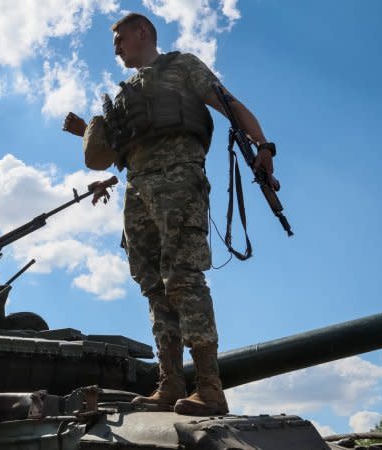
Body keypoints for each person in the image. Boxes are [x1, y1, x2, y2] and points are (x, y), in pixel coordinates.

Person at [63, 13, 279, 416]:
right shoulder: (125, 92)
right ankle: (170, 383)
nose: (115, 48)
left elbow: (228, 105)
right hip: (138, 191)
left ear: (142, 31)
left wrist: (263, 145)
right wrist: (85, 131)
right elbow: (108, 153)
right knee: (154, 287)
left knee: (183, 278)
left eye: (119, 38)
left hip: (179, 179)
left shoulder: (182, 66)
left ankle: (210, 388)